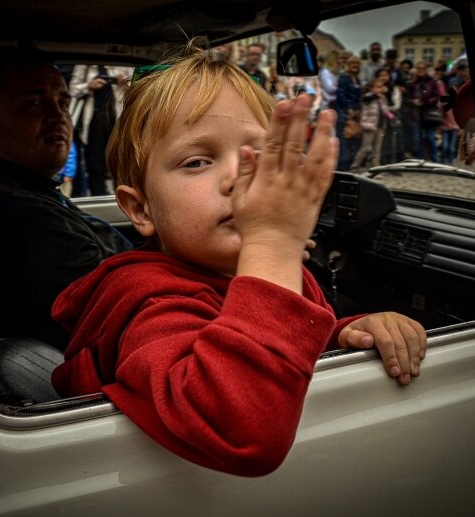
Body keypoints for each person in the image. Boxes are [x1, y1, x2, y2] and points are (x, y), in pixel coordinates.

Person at [50, 47, 426, 476]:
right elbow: (241, 429)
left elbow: (277, 341)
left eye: (259, 156)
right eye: (197, 162)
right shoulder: (150, 304)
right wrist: (273, 246)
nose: (238, 178)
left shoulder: (266, 272)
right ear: (141, 211)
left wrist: (344, 333)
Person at [0, 47, 133, 350]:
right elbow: (122, 322)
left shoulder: (25, 190)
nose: (58, 117)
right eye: (34, 104)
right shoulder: (22, 217)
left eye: (63, 103)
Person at [69, 64, 132, 196]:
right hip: (93, 120)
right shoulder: (84, 64)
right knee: (95, 164)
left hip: (117, 119)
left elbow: (137, 89)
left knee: (120, 161)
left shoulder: (122, 64)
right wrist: (89, 86)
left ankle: (124, 196)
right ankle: (99, 196)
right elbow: (73, 90)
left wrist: (124, 83)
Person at [350, 79, 389, 170]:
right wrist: (375, 94)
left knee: (377, 149)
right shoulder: (368, 97)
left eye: (381, 87)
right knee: (365, 147)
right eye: (377, 87)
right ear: (371, 88)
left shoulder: (382, 98)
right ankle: (355, 165)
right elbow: (366, 102)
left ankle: (376, 167)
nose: (380, 89)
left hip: (380, 125)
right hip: (370, 125)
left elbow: (385, 110)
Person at [335, 55, 363, 170]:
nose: (355, 66)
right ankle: (342, 166)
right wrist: (349, 108)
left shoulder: (358, 79)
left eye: (357, 64)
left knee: (353, 138)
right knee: (343, 138)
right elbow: (340, 94)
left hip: (355, 113)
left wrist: (358, 110)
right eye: (353, 63)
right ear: (348, 65)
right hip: (343, 112)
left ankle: (350, 164)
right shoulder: (344, 77)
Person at [409, 61, 441, 162]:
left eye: (422, 68)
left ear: (426, 70)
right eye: (418, 68)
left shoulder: (432, 82)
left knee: (430, 137)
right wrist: (413, 101)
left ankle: (435, 160)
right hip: (416, 114)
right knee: (419, 139)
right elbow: (408, 97)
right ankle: (420, 161)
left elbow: (436, 96)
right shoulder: (413, 83)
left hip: (429, 114)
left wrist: (424, 101)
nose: (420, 71)